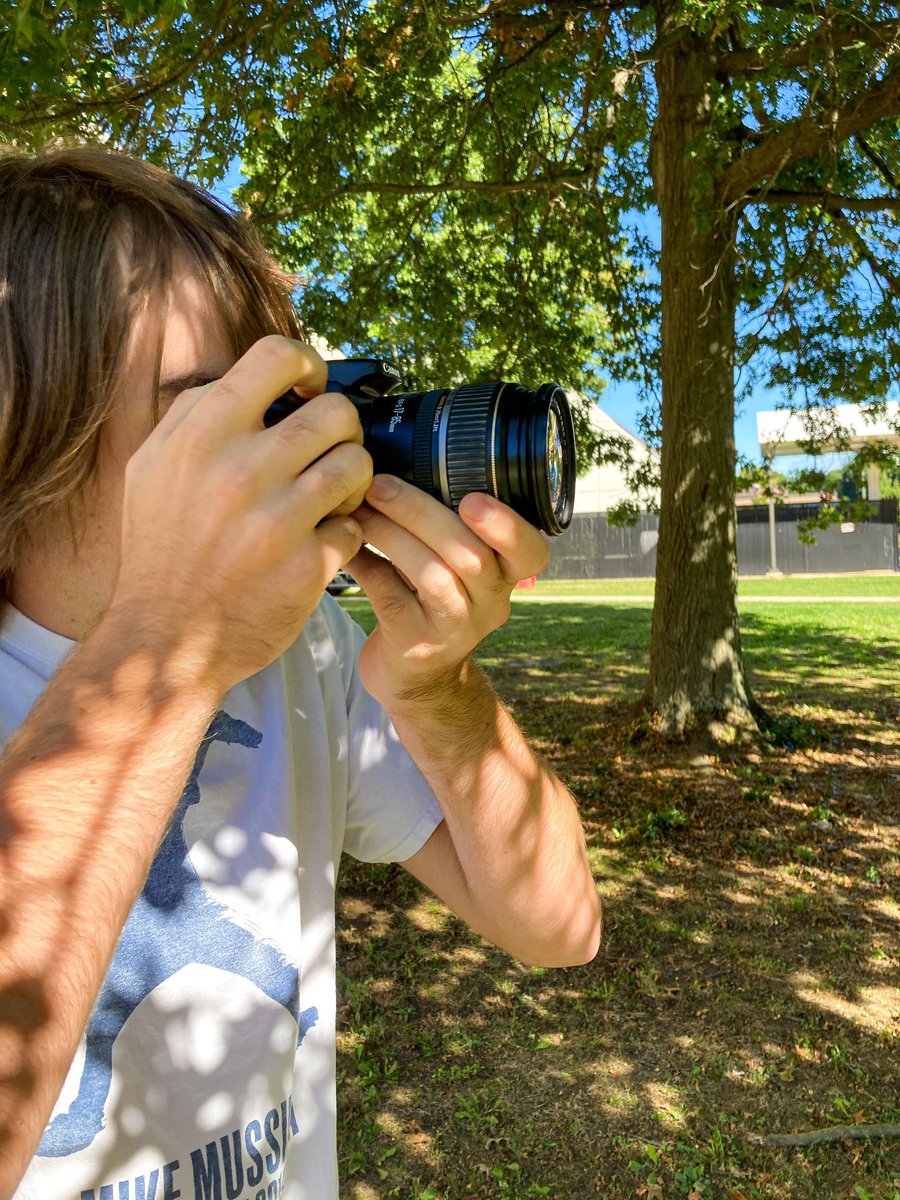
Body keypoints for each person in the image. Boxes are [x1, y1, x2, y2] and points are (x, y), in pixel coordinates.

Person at [0, 143, 601, 1200]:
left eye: (284, 402)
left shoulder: (299, 652)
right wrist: (169, 645)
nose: (304, 455)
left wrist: (437, 692)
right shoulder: (210, 645)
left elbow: (560, 927)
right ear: (29, 438)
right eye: (214, 413)